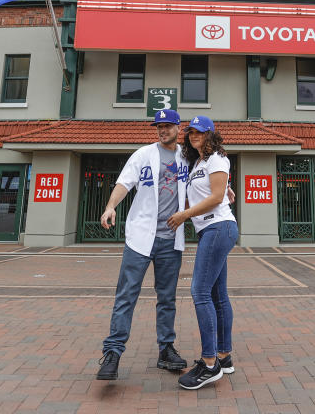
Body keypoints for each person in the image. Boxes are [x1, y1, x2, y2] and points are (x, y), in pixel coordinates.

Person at [96, 108, 190, 381]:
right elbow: (124, 183)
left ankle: (166, 349)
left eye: (167, 126)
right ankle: (112, 352)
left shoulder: (187, 156)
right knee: (126, 296)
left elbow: (204, 181)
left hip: (171, 241)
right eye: (158, 126)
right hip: (140, 239)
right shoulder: (143, 154)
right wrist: (110, 206)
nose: (162, 130)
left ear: (177, 127)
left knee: (167, 298)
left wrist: (226, 189)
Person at [166, 115, 238, 390]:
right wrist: (226, 187)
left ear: (210, 134)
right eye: (191, 132)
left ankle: (209, 365)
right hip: (212, 230)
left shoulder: (218, 158)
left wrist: (184, 214)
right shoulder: (198, 162)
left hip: (218, 228)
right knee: (218, 296)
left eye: (200, 132)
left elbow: (216, 197)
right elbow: (215, 189)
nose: (194, 135)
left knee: (199, 293)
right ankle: (224, 356)